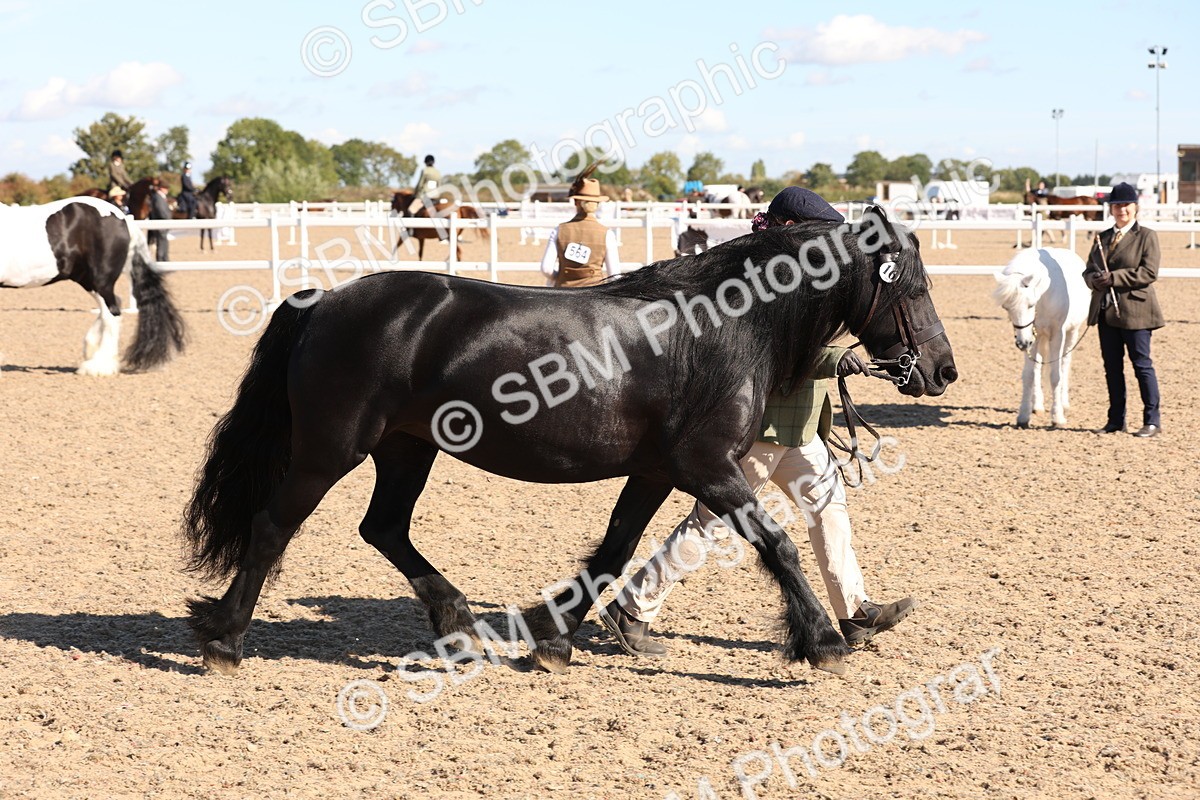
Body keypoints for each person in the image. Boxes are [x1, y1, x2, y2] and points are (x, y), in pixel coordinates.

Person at [598, 186, 915, 656]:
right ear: (789, 229)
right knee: (710, 524)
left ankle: (854, 612)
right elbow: (776, 349)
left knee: (830, 508)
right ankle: (632, 607)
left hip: (802, 429)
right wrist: (836, 361)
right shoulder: (759, 278)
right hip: (757, 431)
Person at [1083, 181, 1164, 438]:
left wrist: (1115, 278)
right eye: (1116, 205)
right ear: (1111, 209)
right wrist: (1093, 280)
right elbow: (1088, 270)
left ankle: (1152, 420)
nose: (1121, 210)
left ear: (1135, 208)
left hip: (1137, 312)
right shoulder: (1102, 238)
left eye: (1125, 205)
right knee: (1112, 368)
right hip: (1106, 312)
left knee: (1142, 366)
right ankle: (1115, 420)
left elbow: (1149, 272)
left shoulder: (1147, 236)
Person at [539, 171, 620, 288]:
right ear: (597, 204)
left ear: (576, 202)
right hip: (593, 295)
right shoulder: (607, 234)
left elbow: (546, 268)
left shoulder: (559, 230)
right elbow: (614, 276)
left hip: (563, 293)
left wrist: (559, 277)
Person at [147, 182, 172, 262]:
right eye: (166, 188)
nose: (167, 190)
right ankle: (161, 260)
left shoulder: (159, 197)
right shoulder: (158, 197)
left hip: (163, 223)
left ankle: (165, 259)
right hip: (161, 223)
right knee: (161, 243)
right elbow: (160, 210)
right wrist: (167, 218)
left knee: (163, 242)